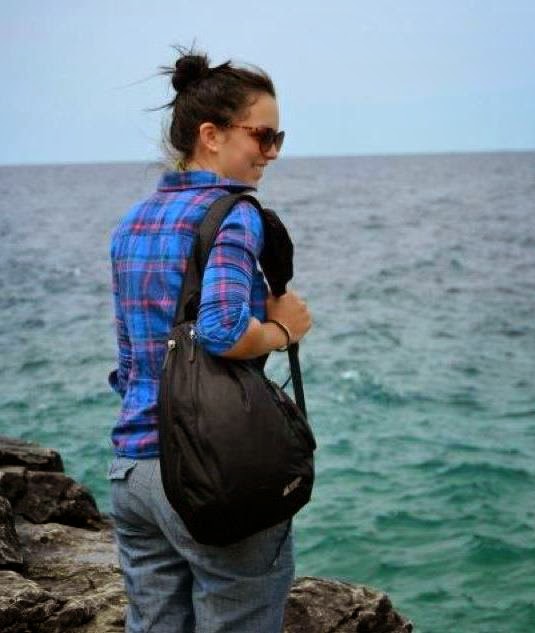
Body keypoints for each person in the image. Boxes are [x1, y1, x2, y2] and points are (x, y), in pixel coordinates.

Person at [108, 48, 312, 633]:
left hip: (133, 471)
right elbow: (222, 329)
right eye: (263, 136)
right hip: (207, 473)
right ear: (211, 135)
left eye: (278, 138)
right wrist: (283, 329)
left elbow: (129, 364)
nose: (272, 152)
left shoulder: (133, 220)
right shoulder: (232, 213)